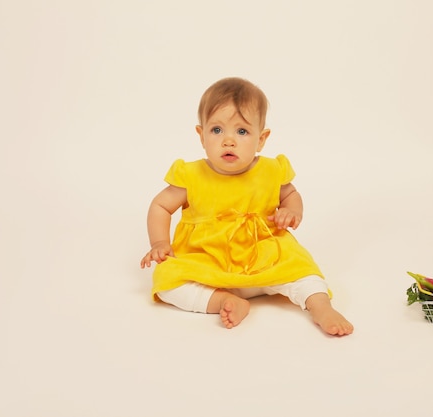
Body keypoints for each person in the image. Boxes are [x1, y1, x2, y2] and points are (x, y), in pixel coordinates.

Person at [140, 77, 353, 336]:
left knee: (304, 270)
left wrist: (292, 211)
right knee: (166, 282)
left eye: (241, 132)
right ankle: (223, 301)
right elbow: (161, 206)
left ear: (261, 139)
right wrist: (159, 243)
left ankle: (321, 307)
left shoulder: (271, 170)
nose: (228, 141)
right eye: (217, 130)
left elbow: (291, 195)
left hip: (266, 254)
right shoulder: (191, 175)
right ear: (201, 135)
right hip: (209, 259)